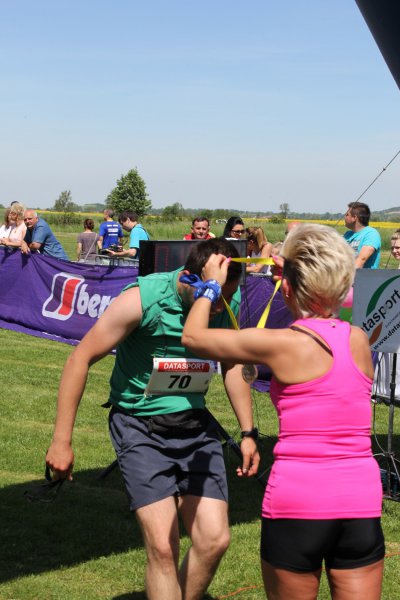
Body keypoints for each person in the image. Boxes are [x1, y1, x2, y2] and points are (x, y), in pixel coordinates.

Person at [45, 238, 260, 600]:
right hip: (139, 427)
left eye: (225, 298)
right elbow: (79, 359)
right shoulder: (141, 300)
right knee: (162, 547)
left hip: (195, 427)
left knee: (214, 540)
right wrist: (61, 441)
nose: (218, 306)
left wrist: (249, 431)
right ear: (191, 278)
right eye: (213, 295)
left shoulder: (225, 298)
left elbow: (231, 363)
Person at [182, 224, 384, 600]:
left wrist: (210, 286)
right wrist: (293, 275)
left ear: (287, 287)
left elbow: (193, 337)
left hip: (298, 500)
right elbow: (332, 307)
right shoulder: (358, 339)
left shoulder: (281, 344)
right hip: (361, 499)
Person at [343, 202, 381, 269]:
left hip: (362, 275)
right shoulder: (347, 234)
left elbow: (361, 259)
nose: (344, 217)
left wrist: (346, 274)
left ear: (354, 218)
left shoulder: (371, 234)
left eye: (347, 215)